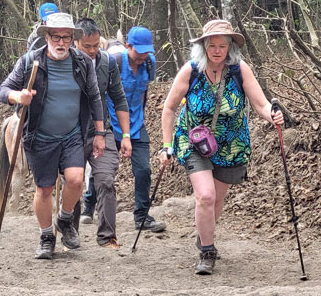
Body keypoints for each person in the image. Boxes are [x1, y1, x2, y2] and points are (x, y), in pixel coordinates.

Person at [159, 19, 284, 275]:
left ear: (230, 48)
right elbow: (169, 108)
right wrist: (166, 145)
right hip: (193, 141)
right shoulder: (191, 70)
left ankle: (204, 233)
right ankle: (207, 251)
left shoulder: (240, 70)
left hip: (230, 144)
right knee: (205, 196)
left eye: (222, 46)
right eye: (212, 45)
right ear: (203, 47)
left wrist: (273, 115)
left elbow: (260, 104)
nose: (217, 50)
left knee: (216, 202)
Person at [0, 12, 106, 259]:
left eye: (66, 38)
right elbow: (3, 90)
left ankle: (65, 219)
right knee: (44, 189)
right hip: (40, 136)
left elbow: (95, 97)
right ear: (46, 36)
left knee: (76, 180)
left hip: (72, 134)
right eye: (56, 36)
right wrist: (18, 97)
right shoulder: (29, 62)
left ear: (72, 39)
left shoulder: (82, 63)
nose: (61, 42)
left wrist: (99, 132)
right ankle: (46, 237)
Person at [72, 18, 131, 249]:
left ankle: (107, 237)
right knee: (73, 183)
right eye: (87, 46)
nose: (93, 50)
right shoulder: (66, 63)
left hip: (101, 130)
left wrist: (125, 136)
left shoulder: (107, 62)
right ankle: (71, 234)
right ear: (75, 42)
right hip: (72, 132)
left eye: (96, 45)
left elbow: (119, 98)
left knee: (105, 180)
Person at [103, 26, 166, 233]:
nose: (143, 55)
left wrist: (133, 127)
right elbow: (107, 98)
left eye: (147, 50)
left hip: (137, 123)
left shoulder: (149, 63)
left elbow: (144, 93)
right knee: (103, 171)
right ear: (127, 46)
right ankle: (89, 205)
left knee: (144, 170)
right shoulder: (114, 63)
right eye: (139, 50)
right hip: (111, 124)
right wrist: (118, 132)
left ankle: (141, 216)